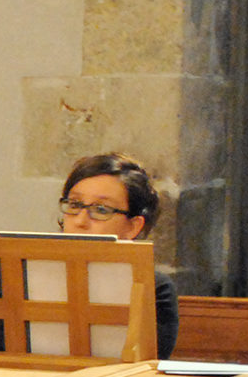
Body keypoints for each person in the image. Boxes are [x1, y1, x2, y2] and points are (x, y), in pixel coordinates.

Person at [57, 152, 179, 359]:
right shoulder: (26, 272)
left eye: (101, 209)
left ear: (133, 226)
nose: (80, 221)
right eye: (75, 205)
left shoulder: (155, 287)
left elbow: (144, 365)